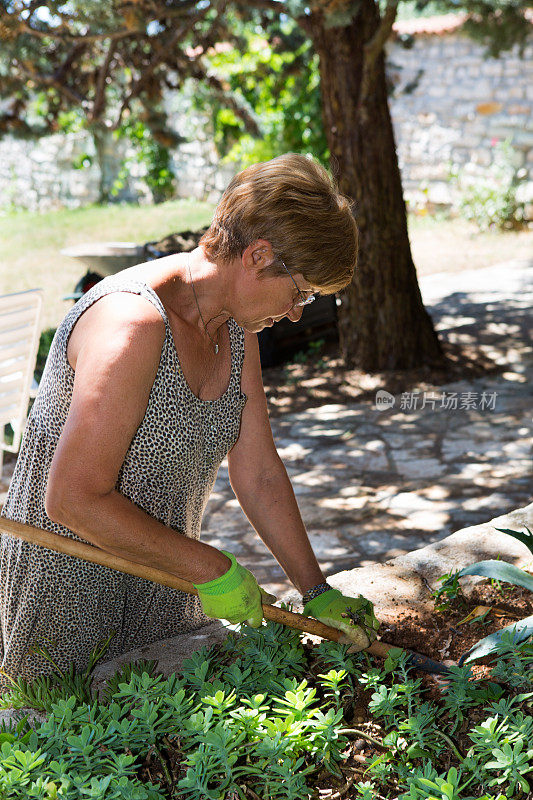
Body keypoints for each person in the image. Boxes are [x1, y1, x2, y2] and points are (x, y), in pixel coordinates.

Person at [0, 154, 379, 686]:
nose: (298, 312)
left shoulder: (235, 329)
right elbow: (72, 497)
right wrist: (212, 568)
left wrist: (316, 590)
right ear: (258, 255)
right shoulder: (132, 325)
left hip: (164, 586)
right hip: (67, 601)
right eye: (302, 292)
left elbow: (260, 472)